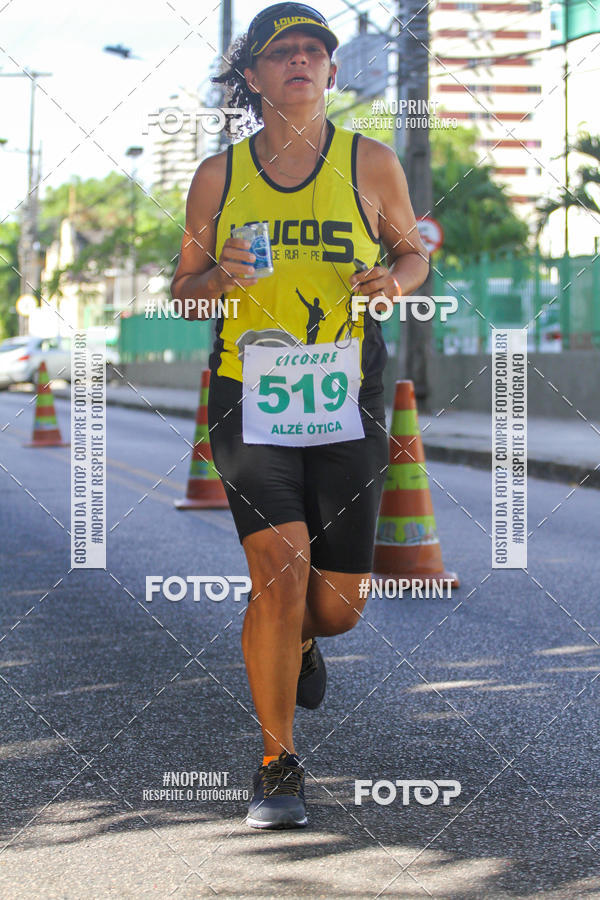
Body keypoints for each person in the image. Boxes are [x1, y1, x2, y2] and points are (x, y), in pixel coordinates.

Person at [171, 1, 429, 829]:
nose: (303, 62)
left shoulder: (371, 162)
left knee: (337, 606)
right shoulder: (219, 175)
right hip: (252, 396)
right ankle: (276, 761)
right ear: (251, 74)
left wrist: (397, 282)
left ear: (330, 69)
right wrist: (218, 283)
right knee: (278, 574)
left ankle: (306, 642)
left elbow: (411, 251)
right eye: (284, 52)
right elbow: (181, 295)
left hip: (349, 398)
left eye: (315, 51)